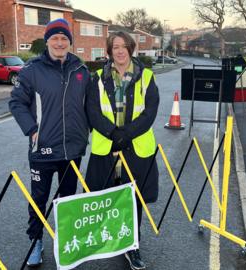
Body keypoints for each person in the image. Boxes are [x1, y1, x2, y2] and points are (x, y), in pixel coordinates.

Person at [9, 18, 91, 267]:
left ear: (70, 42)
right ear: (47, 41)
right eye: (54, 38)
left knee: (68, 201)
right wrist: (31, 129)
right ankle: (36, 241)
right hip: (43, 150)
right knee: (39, 199)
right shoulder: (32, 70)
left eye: (64, 38)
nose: (59, 42)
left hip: (72, 149)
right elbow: (16, 102)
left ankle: (67, 241)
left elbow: (91, 106)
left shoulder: (81, 71)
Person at [85, 31, 159, 270]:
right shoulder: (96, 77)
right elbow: (93, 111)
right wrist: (112, 133)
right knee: (106, 198)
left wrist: (126, 134)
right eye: (114, 46)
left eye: (123, 46)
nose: (119, 51)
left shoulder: (146, 77)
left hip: (135, 149)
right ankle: (107, 239)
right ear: (109, 50)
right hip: (107, 149)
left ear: (131, 49)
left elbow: (149, 113)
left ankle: (132, 246)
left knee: (133, 200)